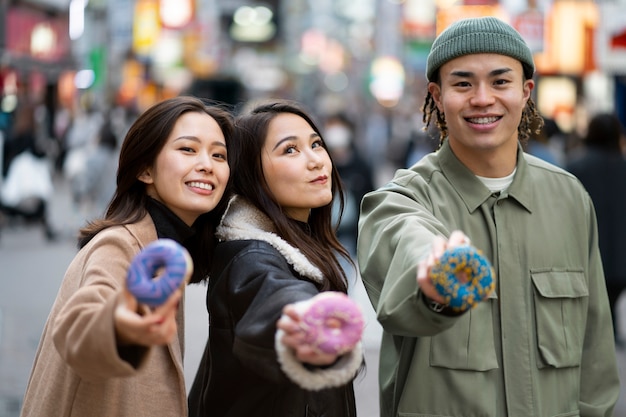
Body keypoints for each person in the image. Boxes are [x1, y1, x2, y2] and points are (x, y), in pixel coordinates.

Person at [357, 16, 619, 417]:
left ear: (526, 91)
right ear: (438, 95)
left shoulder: (569, 196)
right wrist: (439, 271)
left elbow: (596, 355)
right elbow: (407, 238)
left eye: (500, 82)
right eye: (462, 83)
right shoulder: (401, 199)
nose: (482, 98)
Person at [20, 96, 233, 417]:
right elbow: (80, 329)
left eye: (219, 154)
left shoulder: (166, 247)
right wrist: (120, 323)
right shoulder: (119, 245)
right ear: (145, 169)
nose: (207, 164)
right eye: (188, 149)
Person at [188, 100, 363, 417]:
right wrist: (307, 320)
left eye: (316, 144)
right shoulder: (251, 256)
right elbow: (276, 300)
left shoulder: (299, 240)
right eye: (290, 150)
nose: (315, 161)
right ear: (250, 172)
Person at [566, 112, 626, 347]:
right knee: (610, 298)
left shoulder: (575, 166)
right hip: (621, 253)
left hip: (586, 247)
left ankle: (600, 336)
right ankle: (608, 332)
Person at [323, 112, 375, 255]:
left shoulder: (360, 164)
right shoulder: (322, 164)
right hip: (327, 232)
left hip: (353, 231)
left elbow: (370, 196)